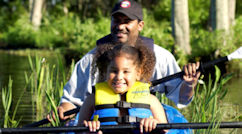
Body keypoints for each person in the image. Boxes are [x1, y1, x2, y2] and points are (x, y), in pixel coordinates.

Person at [47, 0, 200, 121]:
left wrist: (189, 84)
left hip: (146, 121)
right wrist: (62, 111)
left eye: (127, 21)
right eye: (116, 20)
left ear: (140, 25)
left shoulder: (161, 56)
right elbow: (70, 101)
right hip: (103, 121)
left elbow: (182, 98)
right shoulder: (91, 60)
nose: (120, 26)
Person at [77, 44, 168, 134]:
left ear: (138, 73)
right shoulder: (92, 99)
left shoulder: (151, 100)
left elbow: (165, 130)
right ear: (105, 71)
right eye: (114, 71)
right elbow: (77, 130)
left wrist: (155, 125)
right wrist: (87, 129)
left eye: (126, 72)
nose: (119, 77)